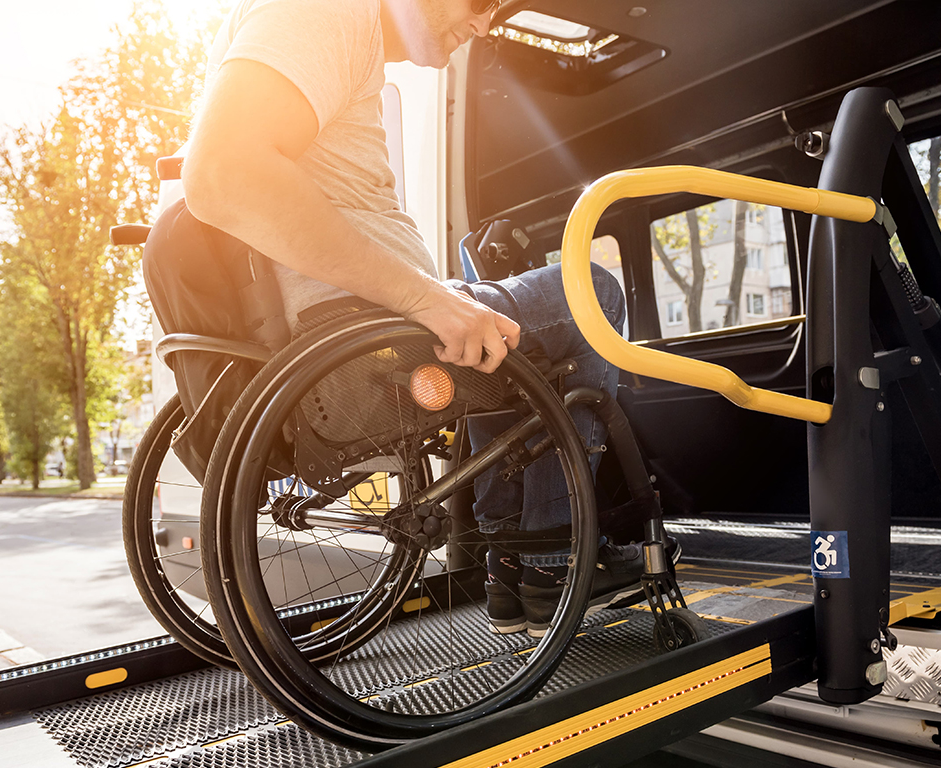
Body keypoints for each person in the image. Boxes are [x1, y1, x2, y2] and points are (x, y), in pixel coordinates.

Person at [183, 0, 654, 636]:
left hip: (373, 317)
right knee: (590, 290)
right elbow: (222, 170)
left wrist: (437, 296)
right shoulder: (327, 15)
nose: (487, 23)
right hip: (371, 329)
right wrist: (428, 300)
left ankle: (512, 569)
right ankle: (553, 558)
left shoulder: (334, 35)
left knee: (500, 336)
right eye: (481, 2)